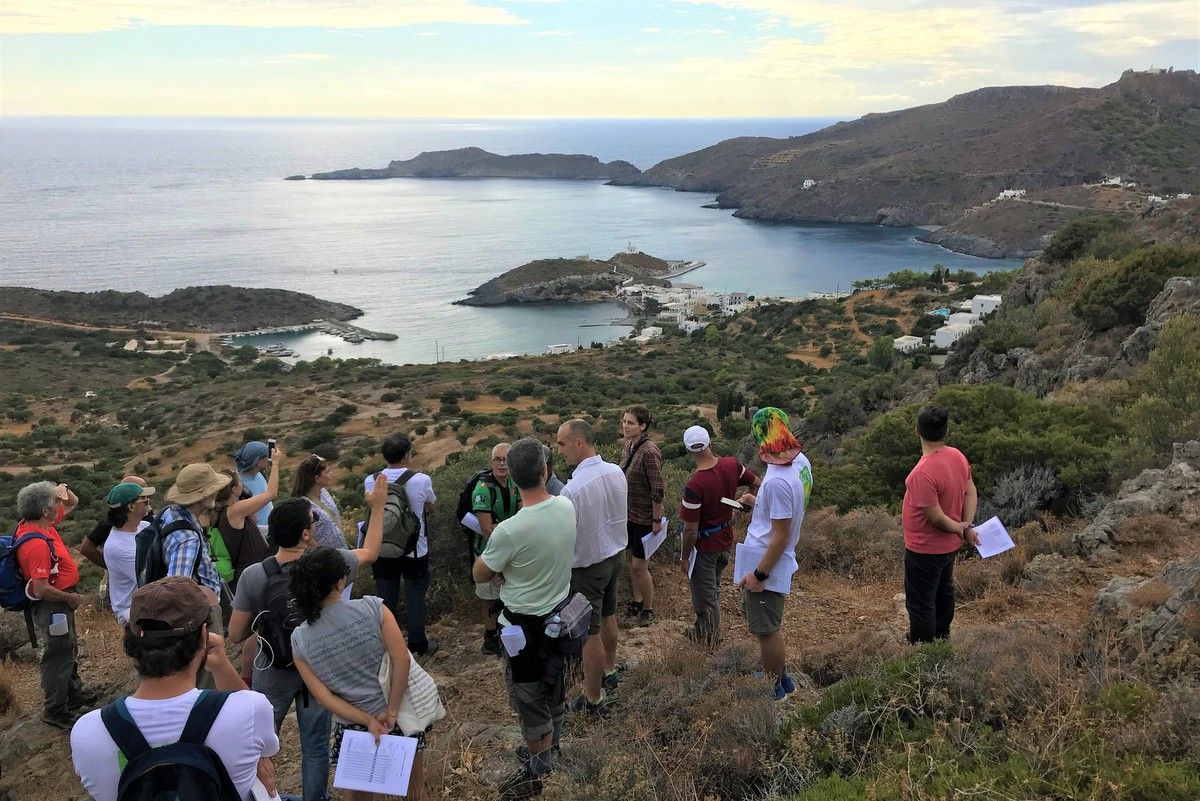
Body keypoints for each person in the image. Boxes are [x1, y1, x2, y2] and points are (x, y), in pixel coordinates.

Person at [227, 480, 388, 801]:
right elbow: (370, 552)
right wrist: (378, 507)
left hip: (273, 669)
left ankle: (260, 796)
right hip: (319, 669)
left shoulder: (255, 574)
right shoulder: (328, 565)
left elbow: (235, 635)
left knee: (257, 745)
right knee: (314, 746)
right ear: (304, 534)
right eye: (313, 523)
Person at [71, 576, 280, 801]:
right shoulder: (248, 710)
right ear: (204, 636)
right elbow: (262, 748)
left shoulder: (87, 732)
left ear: (131, 642)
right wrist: (221, 667)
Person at [473, 438, 577, 800]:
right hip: (559, 620)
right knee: (556, 687)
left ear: (513, 478)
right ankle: (554, 749)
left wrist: (504, 569)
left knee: (529, 700)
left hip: (522, 629)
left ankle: (540, 771)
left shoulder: (508, 531)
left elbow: (480, 573)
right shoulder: (566, 506)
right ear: (545, 472)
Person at [290, 546, 427, 801]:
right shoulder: (374, 609)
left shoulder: (299, 639)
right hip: (399, 714)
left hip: (353, 726)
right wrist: (392, 711)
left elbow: (325, 699)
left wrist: (367, 721)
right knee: (415, 792)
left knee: (358, 797)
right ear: (340, 583)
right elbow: (401, 661)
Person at [737, 407, 813, 701]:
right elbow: (786, 511)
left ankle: (774, 689)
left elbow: (781, 535)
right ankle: (781, 678)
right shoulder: (799, 461)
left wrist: (759, 575)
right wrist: (758, 502)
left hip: (768, 560)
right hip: (769, 553)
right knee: (765, 622)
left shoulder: (779, 480)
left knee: (767, 629)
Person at [14, 480, 98, 729]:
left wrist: (62, 489)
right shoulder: (36, 542)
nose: (58, 505)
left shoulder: (42, 526)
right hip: (53, 606)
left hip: (58, 605)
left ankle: (73, 697)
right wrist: (70, 598)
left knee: (67, 649)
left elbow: (73, 502)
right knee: (57, 656)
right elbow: (40, 589)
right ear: (45, 511)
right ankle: (55, 710)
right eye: (54, 502)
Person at [556, 419, 627, 713]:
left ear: (579, 443)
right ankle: (610, 670)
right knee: (609, 615)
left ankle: (593, 698)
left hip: (587, 567)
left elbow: (565, 536)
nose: (559, 450)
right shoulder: (616, 471)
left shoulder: (572, 491)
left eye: (562, 443)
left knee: (589, 633)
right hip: (615, 556)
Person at [901, 405, 979, 644]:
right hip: (949, 547)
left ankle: (923, 651)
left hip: (925, 548)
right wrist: (965, 526)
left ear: (917, 431)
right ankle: (942, 638)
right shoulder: (957, 456)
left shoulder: (921, 473)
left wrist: (960, 527)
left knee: (921, 603)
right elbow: (970, 491)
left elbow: (934, 517)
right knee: (943, 593)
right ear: (946, 431)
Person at [678, 425, 759, 647]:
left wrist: (685, 557)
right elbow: (757, 483)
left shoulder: (695, 485)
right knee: (713, 587)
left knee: (705, 596)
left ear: (688, 451)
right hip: (725, 539)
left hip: (704, 547)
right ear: (710, 444)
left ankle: (710, 640)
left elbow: (691, 529)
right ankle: (703, 628)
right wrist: (744, 502)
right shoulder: (732, 465)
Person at [365, 433, 439, 657]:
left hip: (382, 547)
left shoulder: (371, 480)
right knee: (415, 597)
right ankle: (418, 644)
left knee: (386, 599)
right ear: (407, 455)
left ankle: (389, 646)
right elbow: (431, 503)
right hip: (414, 549)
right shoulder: (421, 480)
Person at [467, 442, 521, 656]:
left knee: (505, 590)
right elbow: (487, 529)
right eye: (497, 459)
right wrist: (512, 525)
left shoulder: (514, 483)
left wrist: (508, 526)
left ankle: (504, 632)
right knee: (489, 594)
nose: (502, 464)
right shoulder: (483, 489)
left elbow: (521, 513)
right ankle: (490, 638)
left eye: (506, 459)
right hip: (487, 550)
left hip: (511, 547)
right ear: (491, 462)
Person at [618, 405, 665, 627]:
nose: (626, 426)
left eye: (631, 422)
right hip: (628, 514)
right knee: (630, 560)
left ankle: (648, 608)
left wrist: (656, 520)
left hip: (645, 518)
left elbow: (657, 489)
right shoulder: (628, 446)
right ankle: (637, 601)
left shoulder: (649, 451)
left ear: (643, 426)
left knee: (640, 565)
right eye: (624, 421)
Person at [211, 464, 278, 591]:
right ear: (235, 489)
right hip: (252, 575)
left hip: (247, 573)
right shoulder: (234, 511)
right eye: (240, 482)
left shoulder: (222, 511)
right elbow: (271, 493)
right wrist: (275, 463)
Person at [100, 480, 157, 625]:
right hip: (133, 613)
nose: (148, 500)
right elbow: (151, 578)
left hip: (147, 605)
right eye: (144, 499)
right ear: (131, 507)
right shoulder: (118, 547)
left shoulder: (142, 526)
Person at [80, 475, 152, 570]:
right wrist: (113, 567)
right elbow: (86, 549)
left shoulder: (144, 519)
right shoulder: (110, 524)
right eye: (143, 495)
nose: (148, 498)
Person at [295, 453, 347, 549]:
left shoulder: (323, 492)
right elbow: (308, 538)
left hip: (342, 552)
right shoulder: (304, 506)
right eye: (327, 472)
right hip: (326, 558)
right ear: (317, 479)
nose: (331, 474)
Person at [235, 440, 276, 537]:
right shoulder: (239, 485)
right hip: (259, 533)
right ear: (259, 462)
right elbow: (272, 494)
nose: (268, 459)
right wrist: (276, 464)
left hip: (270, 526)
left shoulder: (260, 473)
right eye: (266, 457)